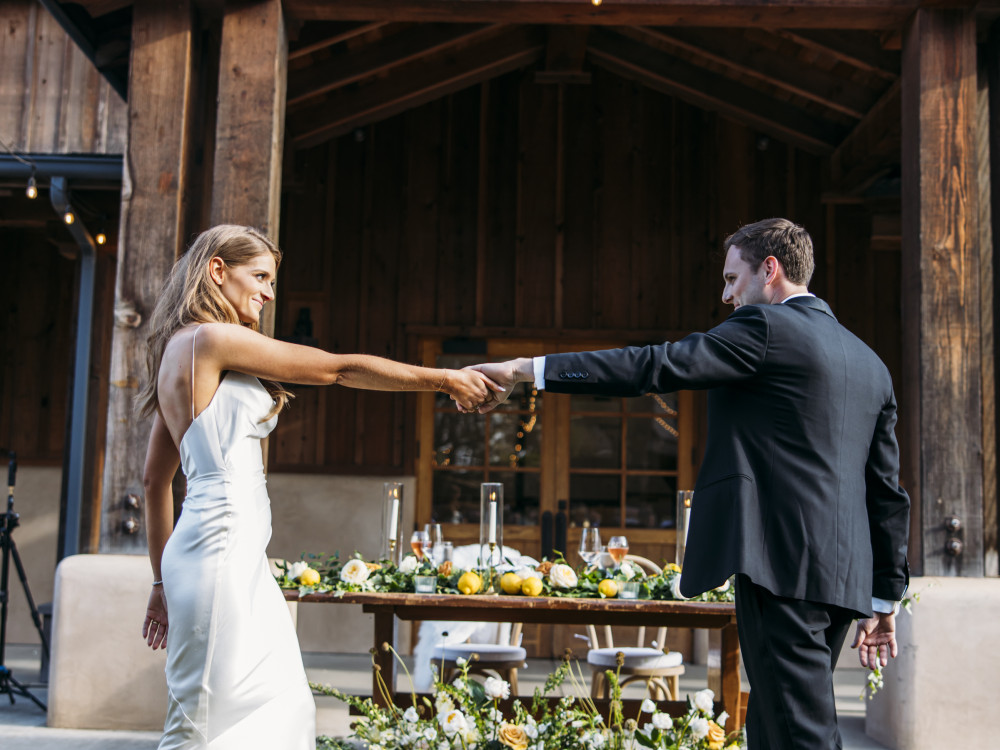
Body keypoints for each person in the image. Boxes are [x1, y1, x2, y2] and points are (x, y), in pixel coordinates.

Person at [467, 218, 909, 749]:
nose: (727, 296)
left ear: (770, 270)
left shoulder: (766, 329)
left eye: (731, 279)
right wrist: (885, 596)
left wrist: (526, 369)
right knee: (774, 722)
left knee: (801, 733)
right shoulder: (872, 364)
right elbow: (886, 490)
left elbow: (654, 365)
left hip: (781, 566)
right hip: (843, 577)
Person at [137, 224, 499, 749]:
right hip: (218, 552)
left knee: (281, 706)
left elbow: (154, 480)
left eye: (272, 282)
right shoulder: (212, 339)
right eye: (258, 276)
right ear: (217, 271)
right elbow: (336, 371)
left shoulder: (183, 350)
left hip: (232, 556)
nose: (268, 292)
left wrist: (160, 583)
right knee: (201, 721)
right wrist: (444, 379)